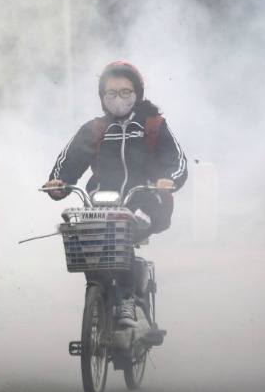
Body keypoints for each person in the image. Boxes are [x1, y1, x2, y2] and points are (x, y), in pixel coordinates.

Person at [43, 61, 188, 327]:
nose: (118, 98)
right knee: (84, 234)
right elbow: (69, 162)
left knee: (129, 226)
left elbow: (176, 160)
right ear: (102, 98)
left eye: (125, 92)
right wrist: (58, 183)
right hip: (102, 201)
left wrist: (168, 180)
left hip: (147, 199)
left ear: (137, 93)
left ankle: (128, 300)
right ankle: (96, 295)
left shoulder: (153, 126)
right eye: (111, 93)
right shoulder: (95, 129)